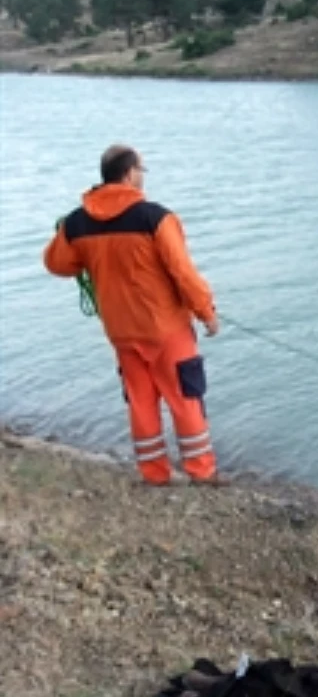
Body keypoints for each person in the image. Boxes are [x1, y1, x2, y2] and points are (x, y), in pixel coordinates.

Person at [43, 145, 222, 486]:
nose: (143, 177)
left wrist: (78, 238)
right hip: (166, 328)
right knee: (185, 398)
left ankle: (154, 475)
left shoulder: (78, 222)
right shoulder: (155, 218)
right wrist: (206, 312)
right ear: (129, 174)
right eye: (142, 170)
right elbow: (183, 272)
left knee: (140, 402)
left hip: (121, 331)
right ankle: (202, 472)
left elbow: (56, 263)